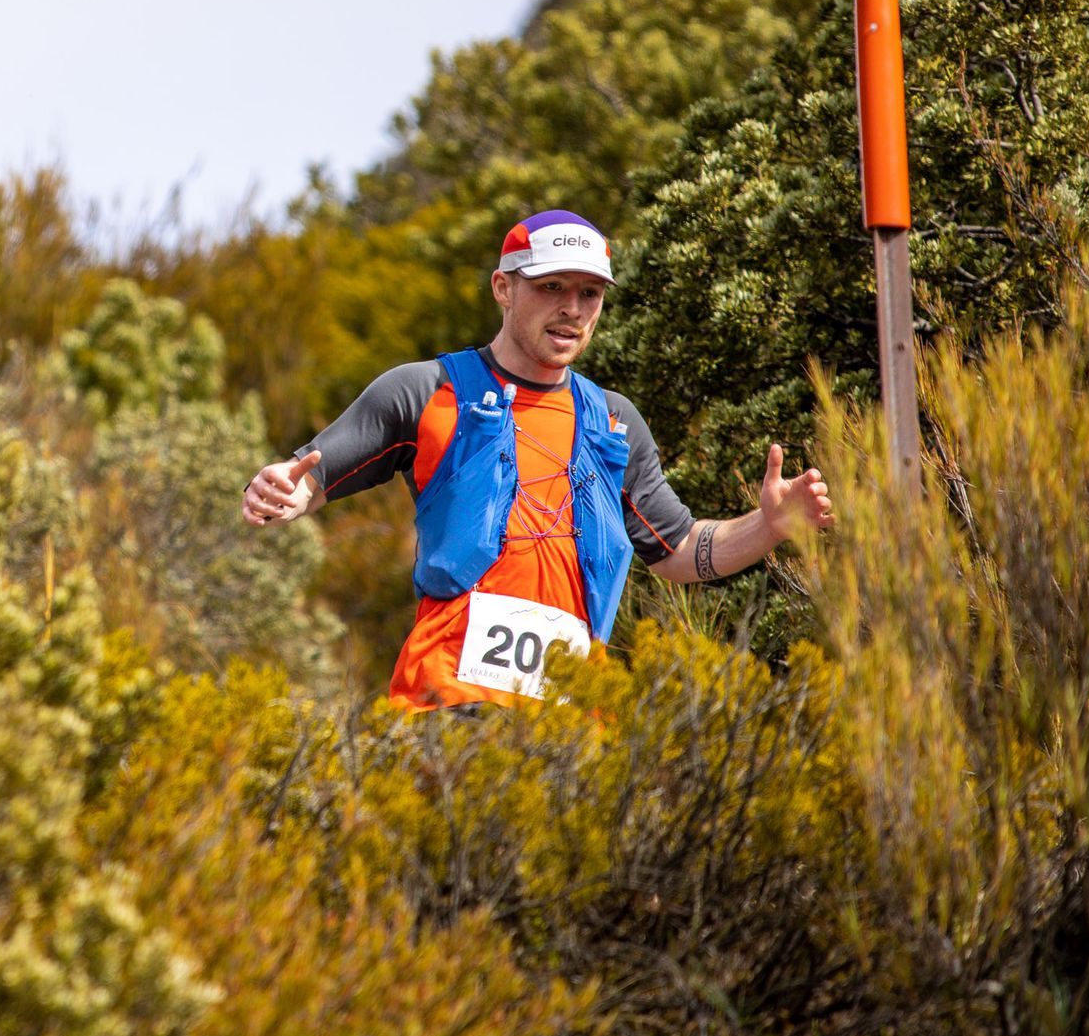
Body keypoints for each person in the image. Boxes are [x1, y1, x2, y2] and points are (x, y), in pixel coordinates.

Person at [241, 209, 835, 711]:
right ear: (504, 288)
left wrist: (770, 527)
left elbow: (677, 552)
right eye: (551, 288)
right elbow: (311, 477)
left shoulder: (614, 421)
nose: (572, 309)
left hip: (571, 725)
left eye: (589, 293)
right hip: (445, 706)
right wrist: (286, 492)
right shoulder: (423, 390)